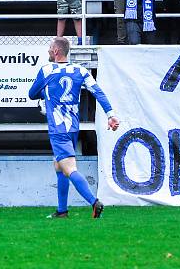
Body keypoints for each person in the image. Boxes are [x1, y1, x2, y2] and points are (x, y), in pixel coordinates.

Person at [28, 36, 119, 219]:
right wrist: (111, 115)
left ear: (55, 51)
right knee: (59, 165)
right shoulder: (81, 70)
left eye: (50, 48)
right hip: (72, 128)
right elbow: (97, 92)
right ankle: (62, 211)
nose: (48, 50)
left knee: (68, 167)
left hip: (58, 128)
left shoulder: (46, 70)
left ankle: (94, 202)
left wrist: (46, 94)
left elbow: (31, 94)